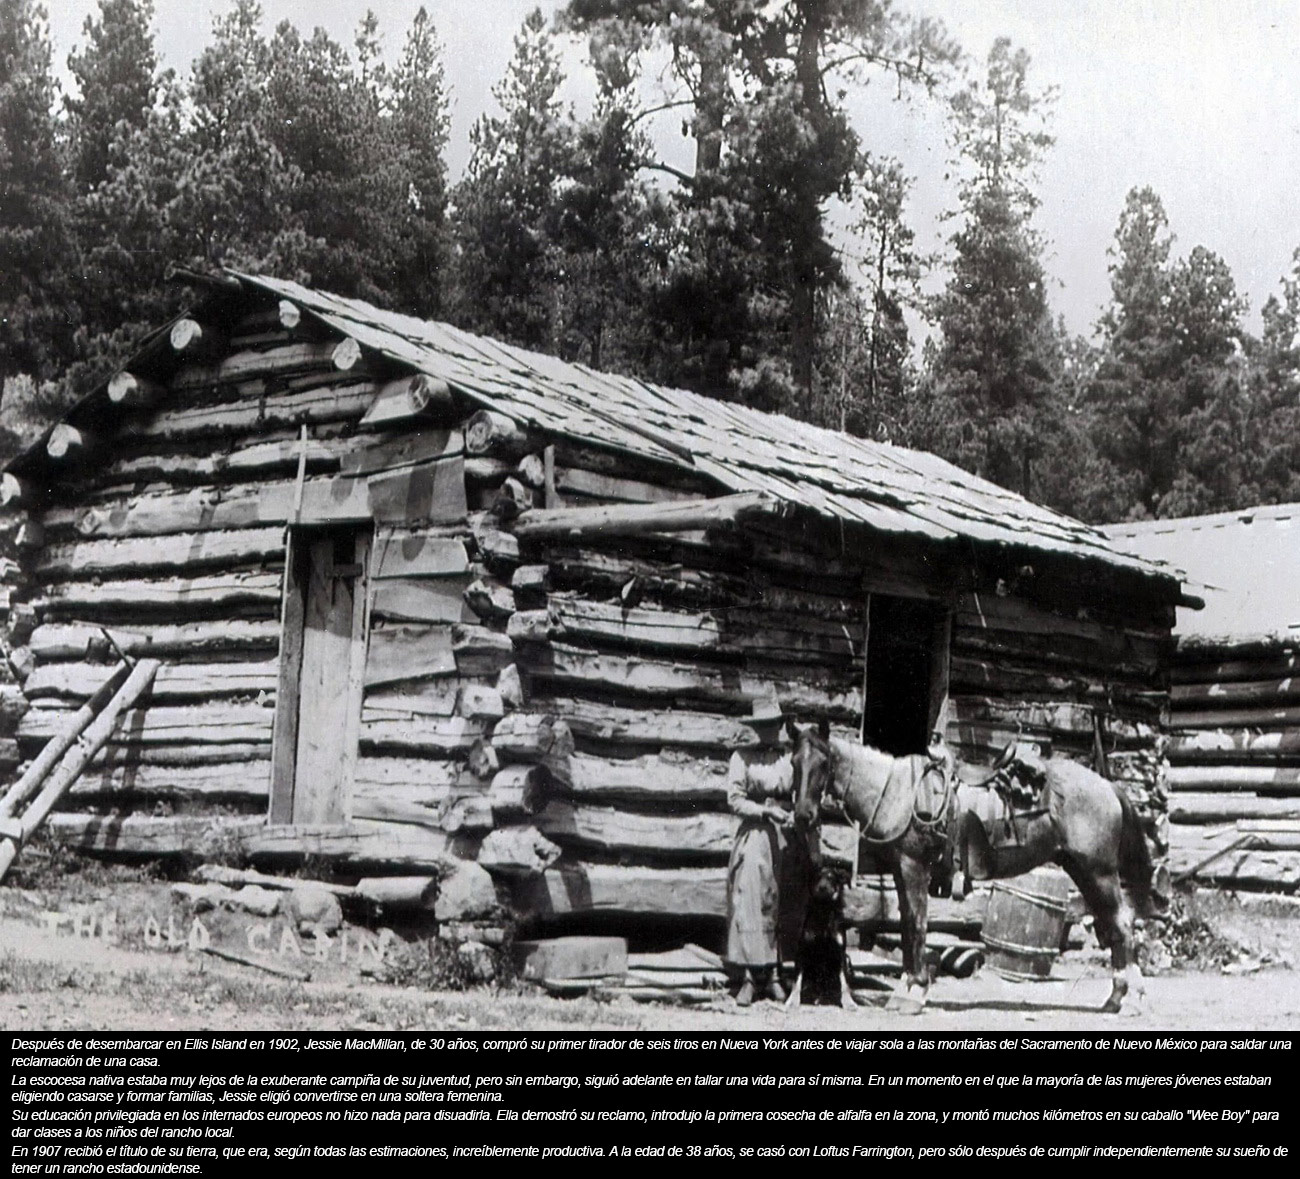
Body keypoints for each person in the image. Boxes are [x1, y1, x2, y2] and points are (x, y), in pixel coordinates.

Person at [725, 700, 809, 1006]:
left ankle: (775, 975)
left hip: (785, 835)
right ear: (756, 728)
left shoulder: (789, 757)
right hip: (756, 834)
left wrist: (794, 812)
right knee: (751, 899)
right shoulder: (742, 757)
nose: (769, 731)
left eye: (773, 724)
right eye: (763, 725)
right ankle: (749, 976)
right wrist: (765, 811)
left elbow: (805, 788)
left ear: (780, 726)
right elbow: (734, 799)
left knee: (780, 901)